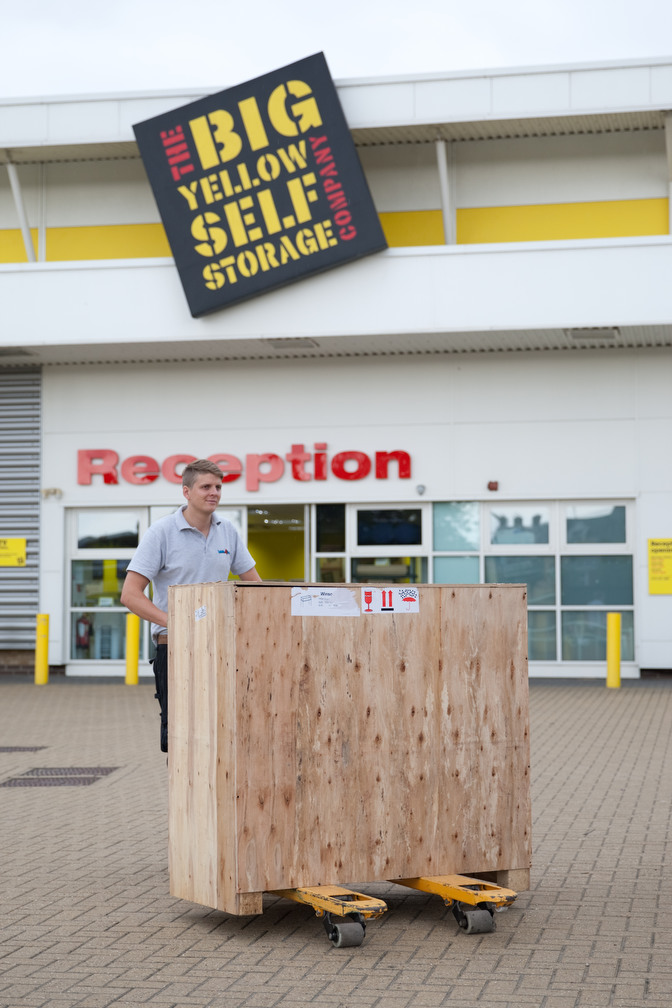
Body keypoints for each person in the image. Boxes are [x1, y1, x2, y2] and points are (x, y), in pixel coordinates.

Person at [121, 458, 262, 752]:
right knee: (181, 737)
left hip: (220, 647)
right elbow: (130, 595)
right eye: (206, 487)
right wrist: (178, 622)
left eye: (219, 487)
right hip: (174, 648)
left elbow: (255, 588)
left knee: (222, 732)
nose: (214, 492)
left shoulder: (228, 531)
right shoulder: (161, 533)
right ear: (186, 492)